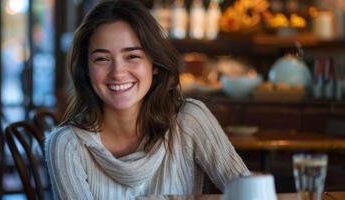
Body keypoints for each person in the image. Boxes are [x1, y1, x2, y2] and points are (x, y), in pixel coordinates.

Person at [45, 0, 249, 199]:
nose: (117, 73)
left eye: (132, 56)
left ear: (155, 63)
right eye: (102, 59)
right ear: (86, 70)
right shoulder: (66, 144)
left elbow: (251, 193)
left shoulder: (190, 120)